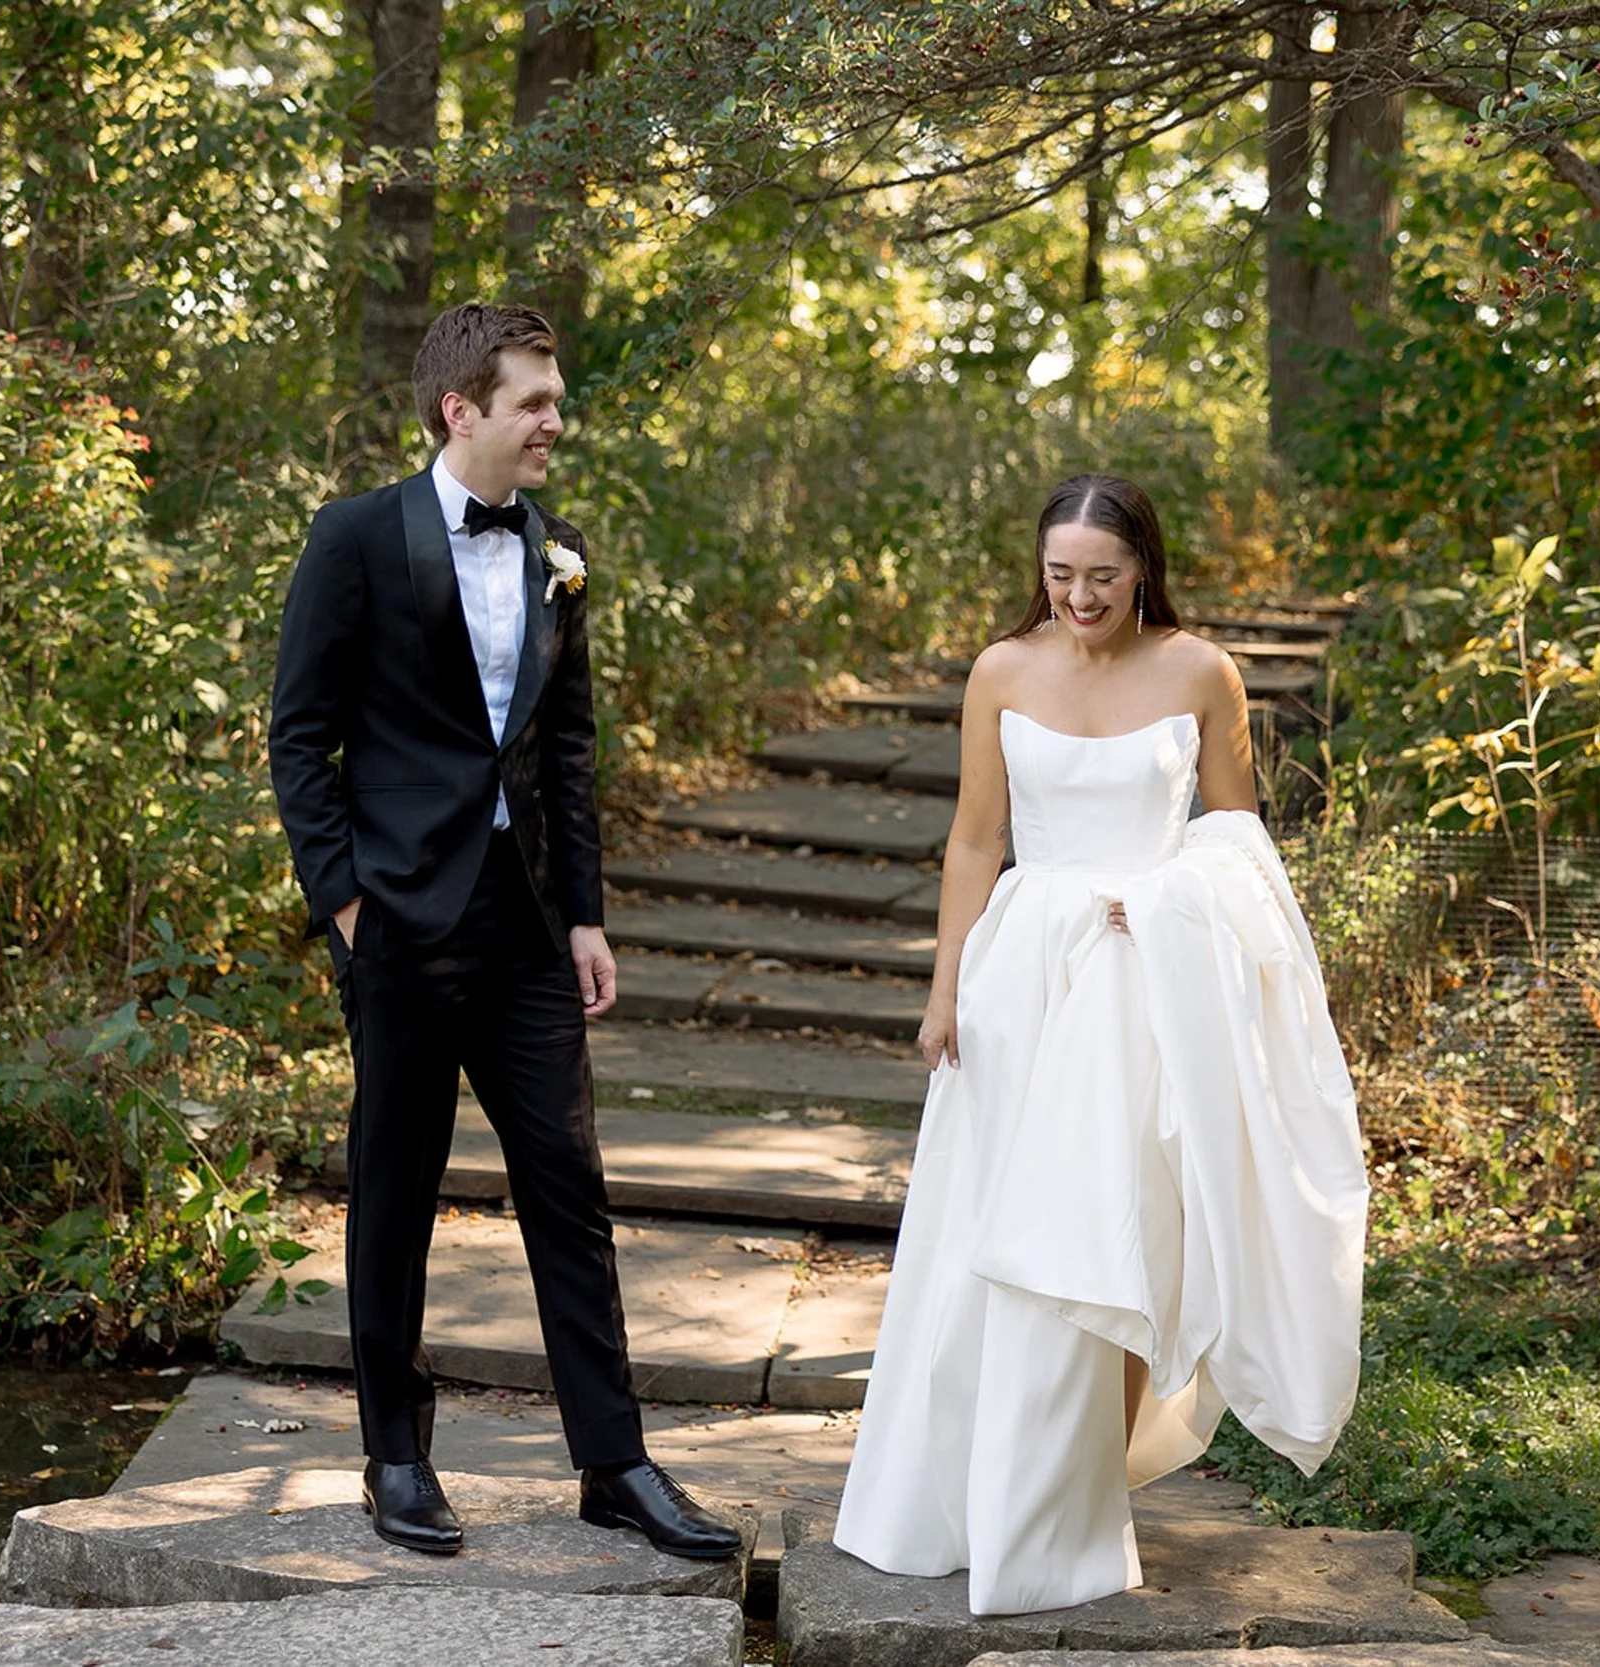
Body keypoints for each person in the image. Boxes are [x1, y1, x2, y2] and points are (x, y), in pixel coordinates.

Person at [831, 473, 1368, 1616]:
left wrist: (1167, 901)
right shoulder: (1000, 671)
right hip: (1019, 974)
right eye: (1059, 574)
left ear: (1143, 570)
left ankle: (1072, 1509)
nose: (1077, 594)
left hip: (1139, 980)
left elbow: (1237, 841)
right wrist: (943, 989)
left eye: (1101, 576)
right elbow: (975, 840)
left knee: (1113, 1233)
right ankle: (956, 1498)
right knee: (990, 1224)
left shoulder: (1200, 672)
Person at [268, 302, 740, 1562]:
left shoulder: (560, 550)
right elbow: (297, 736)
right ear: (458, 409)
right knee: (395, 1193)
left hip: (528, 925)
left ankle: (613, 1461)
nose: (554, 421)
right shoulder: (355, 537)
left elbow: (567, 746)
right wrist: (347, 902)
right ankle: (396, 1457)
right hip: (400, 925)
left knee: (569, 1191)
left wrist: (583, 910)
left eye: (556, 398)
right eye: (534, 400)